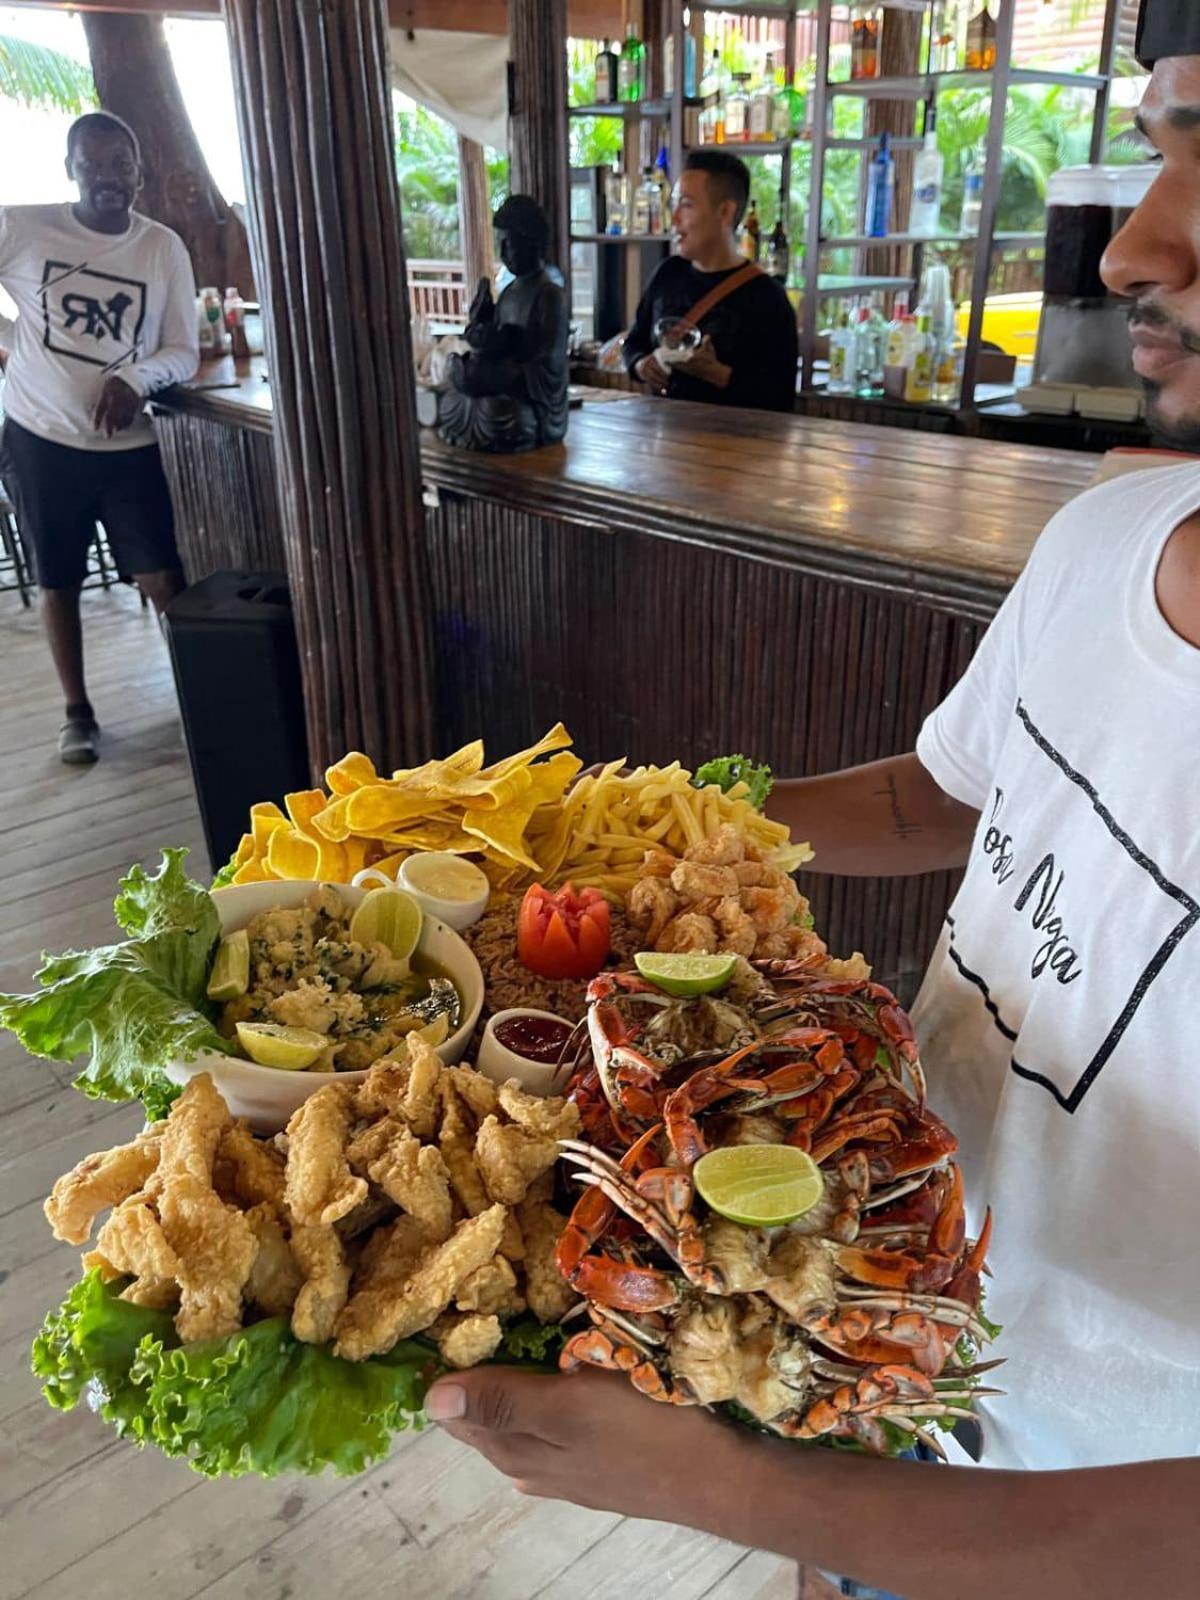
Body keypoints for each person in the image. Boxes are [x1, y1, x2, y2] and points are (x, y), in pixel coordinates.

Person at [424, 7, 1199, 1595]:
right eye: (1172, 140)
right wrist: (624, 826)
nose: (1133, 244)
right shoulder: (1114, 533)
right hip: (858, 1330)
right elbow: (943, 797)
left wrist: (750, 1503)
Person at [0, 111, 199, 765]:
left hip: (127, 447)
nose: (108, 178)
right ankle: (77, 713)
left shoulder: (160, 246)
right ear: (70, 170)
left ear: (139, 173)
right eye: (93, 165)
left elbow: (182, 350)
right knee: (58, 580)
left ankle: (202, 697)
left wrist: (136, 378)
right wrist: (12, 347)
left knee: (160, 574)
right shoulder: (23, 227)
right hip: (40, 437)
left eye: (121, 165)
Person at [623, 150, 798, 413]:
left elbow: (780, 397)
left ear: (725, 212)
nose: (675, 219)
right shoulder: (668, 273)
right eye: (675, 205)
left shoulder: (767, 297)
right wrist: (640, 365)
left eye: (687, 205)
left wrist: (717, 373)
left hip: (734, 447)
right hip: (661, 441)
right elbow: (635, 342)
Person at [437, 193, 569, 453]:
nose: (503, 252)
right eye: (501, 244)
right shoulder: (509, 292)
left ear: (532, 243)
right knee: (452, 402)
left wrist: (500, 369)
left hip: (530, 401)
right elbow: (496, 342)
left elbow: (544, 365)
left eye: (510, 244)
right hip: (501, 388)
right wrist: (482, 322)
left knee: (505, 415)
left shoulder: (549, 295)